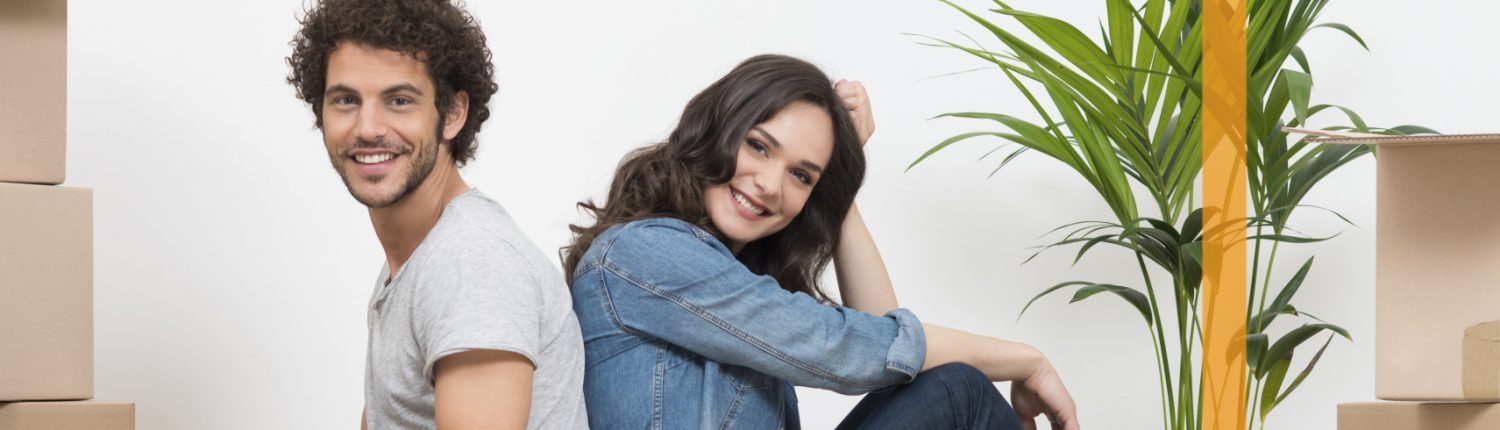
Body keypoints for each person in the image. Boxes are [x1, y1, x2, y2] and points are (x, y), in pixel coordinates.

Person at [562, 54, 1080, 429]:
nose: (769, 184)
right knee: (958, 389)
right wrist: (1027, 358)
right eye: (759, 146)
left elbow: (884, 346)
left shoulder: (732, 282)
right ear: (716, 128)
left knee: (950, 387)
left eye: (802, 177)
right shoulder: (644, 253)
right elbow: (858, 349)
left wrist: (839, 187)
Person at [285, 1, 586, 428]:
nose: (368, 127)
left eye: (400, 100)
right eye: (346, 100)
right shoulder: (415, 261)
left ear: (453, 114)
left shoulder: (471, 261)